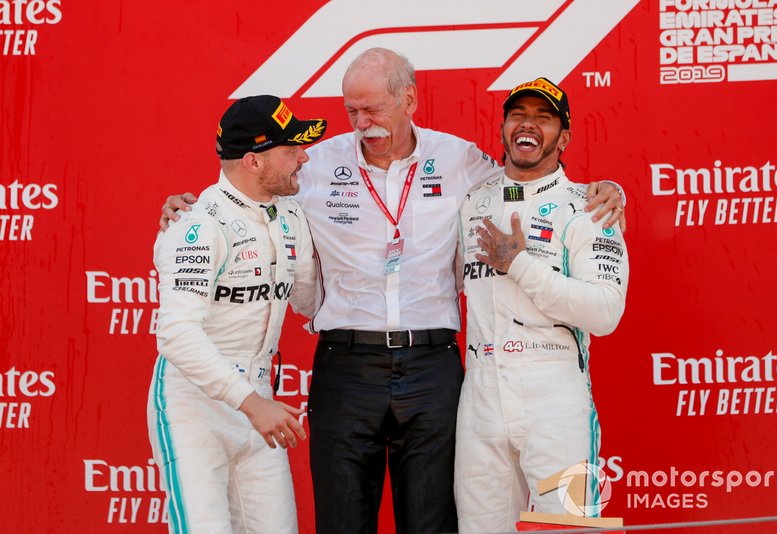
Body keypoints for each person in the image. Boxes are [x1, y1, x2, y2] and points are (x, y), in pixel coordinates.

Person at [159, 49, 626, 533]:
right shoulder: (313, 164)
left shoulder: (462, 160)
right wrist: (187, 211)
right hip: (346, 363)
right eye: (352, 112)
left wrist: (610, 190)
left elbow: (532, 178)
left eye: (374, 109)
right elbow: (249, 189)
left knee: (439, 523)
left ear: (409, 99)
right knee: (343, 523)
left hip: (433, 366)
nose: (362, 123)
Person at [454, 77, 629, 533]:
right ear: (504, 128)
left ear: (563, 137)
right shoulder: (473, 201)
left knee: (570, 528)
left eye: (543, 118)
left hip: (554, 393)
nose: (528, 125)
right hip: (480, 391)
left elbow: (605, 312)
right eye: (518, 115)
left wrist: (521, 265)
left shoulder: (589, 207)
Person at [147, 95, 326, 533]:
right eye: (291, 150)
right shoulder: (197, 224)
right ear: (253, 161)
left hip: (258, 401)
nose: (304, 157)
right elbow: (175, 334)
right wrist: (250, 403)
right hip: (196, 406)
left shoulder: (290, 217)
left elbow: (315, 302)